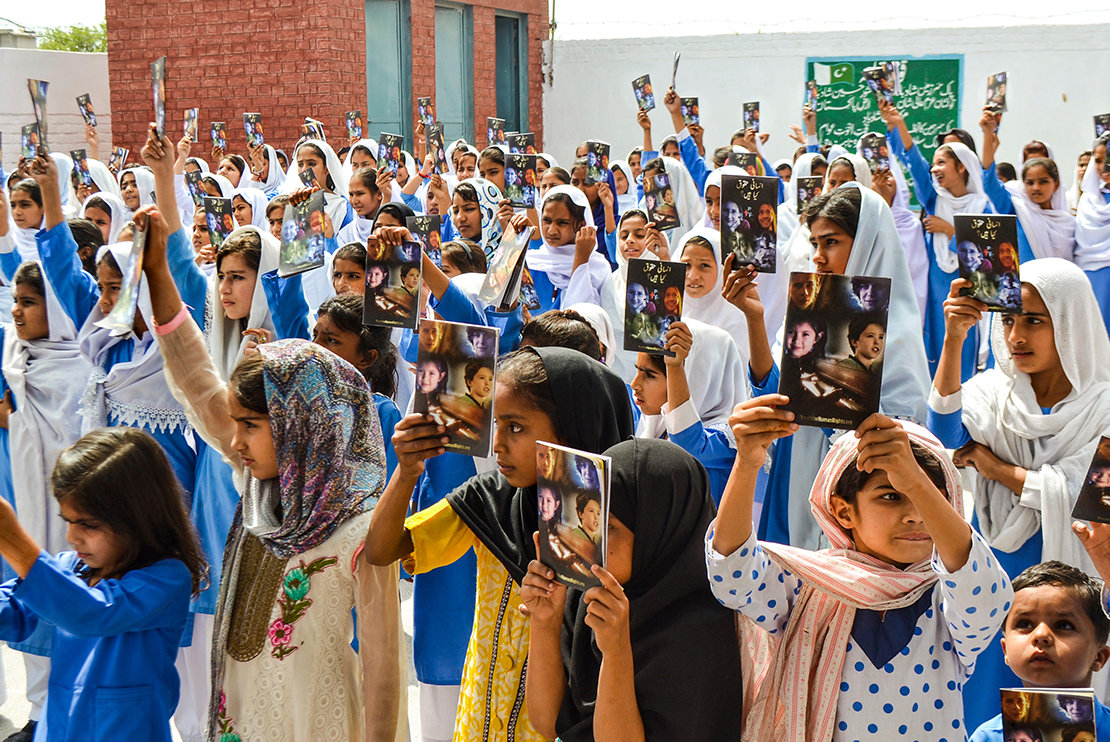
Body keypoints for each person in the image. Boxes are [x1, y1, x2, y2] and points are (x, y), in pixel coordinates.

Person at [138, 204, 404, 742]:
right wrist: (157, 273)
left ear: (298, 425)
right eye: (235, 426)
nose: (234, 443)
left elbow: (384, 675)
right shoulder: (259, 491)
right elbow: (196, 381)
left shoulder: (360, 531)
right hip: (243, 717)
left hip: (319, 725)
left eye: (250, 427)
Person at [363, 346, 635, 742]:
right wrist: (406, 474)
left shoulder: (612, 531)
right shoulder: (489, 499)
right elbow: (383, 550)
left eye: (516, 428)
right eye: (497, 425)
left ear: (571, 429)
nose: (497, 445)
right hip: (478, 723)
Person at [708, 408, 1011, 740]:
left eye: (929, 497)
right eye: (891, 496)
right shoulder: (810, 586)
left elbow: (986, 598)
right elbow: (734, 576)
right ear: (843, 510)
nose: (915, 515)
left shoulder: (947, 600)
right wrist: (747, 464)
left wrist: (912, 476)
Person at [929, 259, 1110, 727]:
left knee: (1058, 705)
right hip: (994, 571)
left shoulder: (1103, 407)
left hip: (1072, 575)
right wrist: (953, 340)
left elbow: (1085, 496)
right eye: (1007, 319)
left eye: (1034, 320)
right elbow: (945, 437)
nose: (1016, 336)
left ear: (1069, 323)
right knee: (985, 695)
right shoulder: (992, 392)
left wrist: (994, 467)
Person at [724, 184, 929, 550]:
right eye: (815, 243)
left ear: (867, 242)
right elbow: (775, 389)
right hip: (794, 474)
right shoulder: (809, 311)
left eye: (831, 242)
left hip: (855, 491)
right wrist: (755, 319)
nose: (818, 257)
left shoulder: (895, 332)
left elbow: (911, 435)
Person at [521, 438, 743, 741]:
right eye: (591, 525)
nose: (594, 541)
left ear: (657, 533)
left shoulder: (697, 633)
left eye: (608, 527)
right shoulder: (592, 598)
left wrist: (616, 654)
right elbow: (549, 724)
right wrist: (545, 621)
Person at [0, 428, 206, 742]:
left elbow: (91, 613)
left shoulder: (166, 579)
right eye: (68, 521)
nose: (72, 537)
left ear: (139, 516)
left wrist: (14, 541)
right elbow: (12, 611)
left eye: (88, 524)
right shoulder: (72, 567)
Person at [880, 99, 989, 377]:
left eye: (942, 162)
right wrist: (898, 124)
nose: (935, 168)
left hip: (967, 291)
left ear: (962, 167)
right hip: (935, 292)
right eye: (935, 163)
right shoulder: (934, 201)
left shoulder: (982, 207)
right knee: (932, 353)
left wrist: (951, 231)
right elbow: (915, 164)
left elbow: (984, 256)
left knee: (963, 350)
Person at [969, 562, 1110, 741]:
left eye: (1063, 625)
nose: (1041, 635)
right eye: (1024, 624)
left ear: (1099, 657)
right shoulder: (987, 737)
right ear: (1005, 650)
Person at [630, 319, 744, 505]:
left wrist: (675, 367)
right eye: (637, 371)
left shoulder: (728, 440)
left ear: (695, 377)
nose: (635, 384)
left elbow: (687, 446)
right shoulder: (656, 427)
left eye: (650, 375)